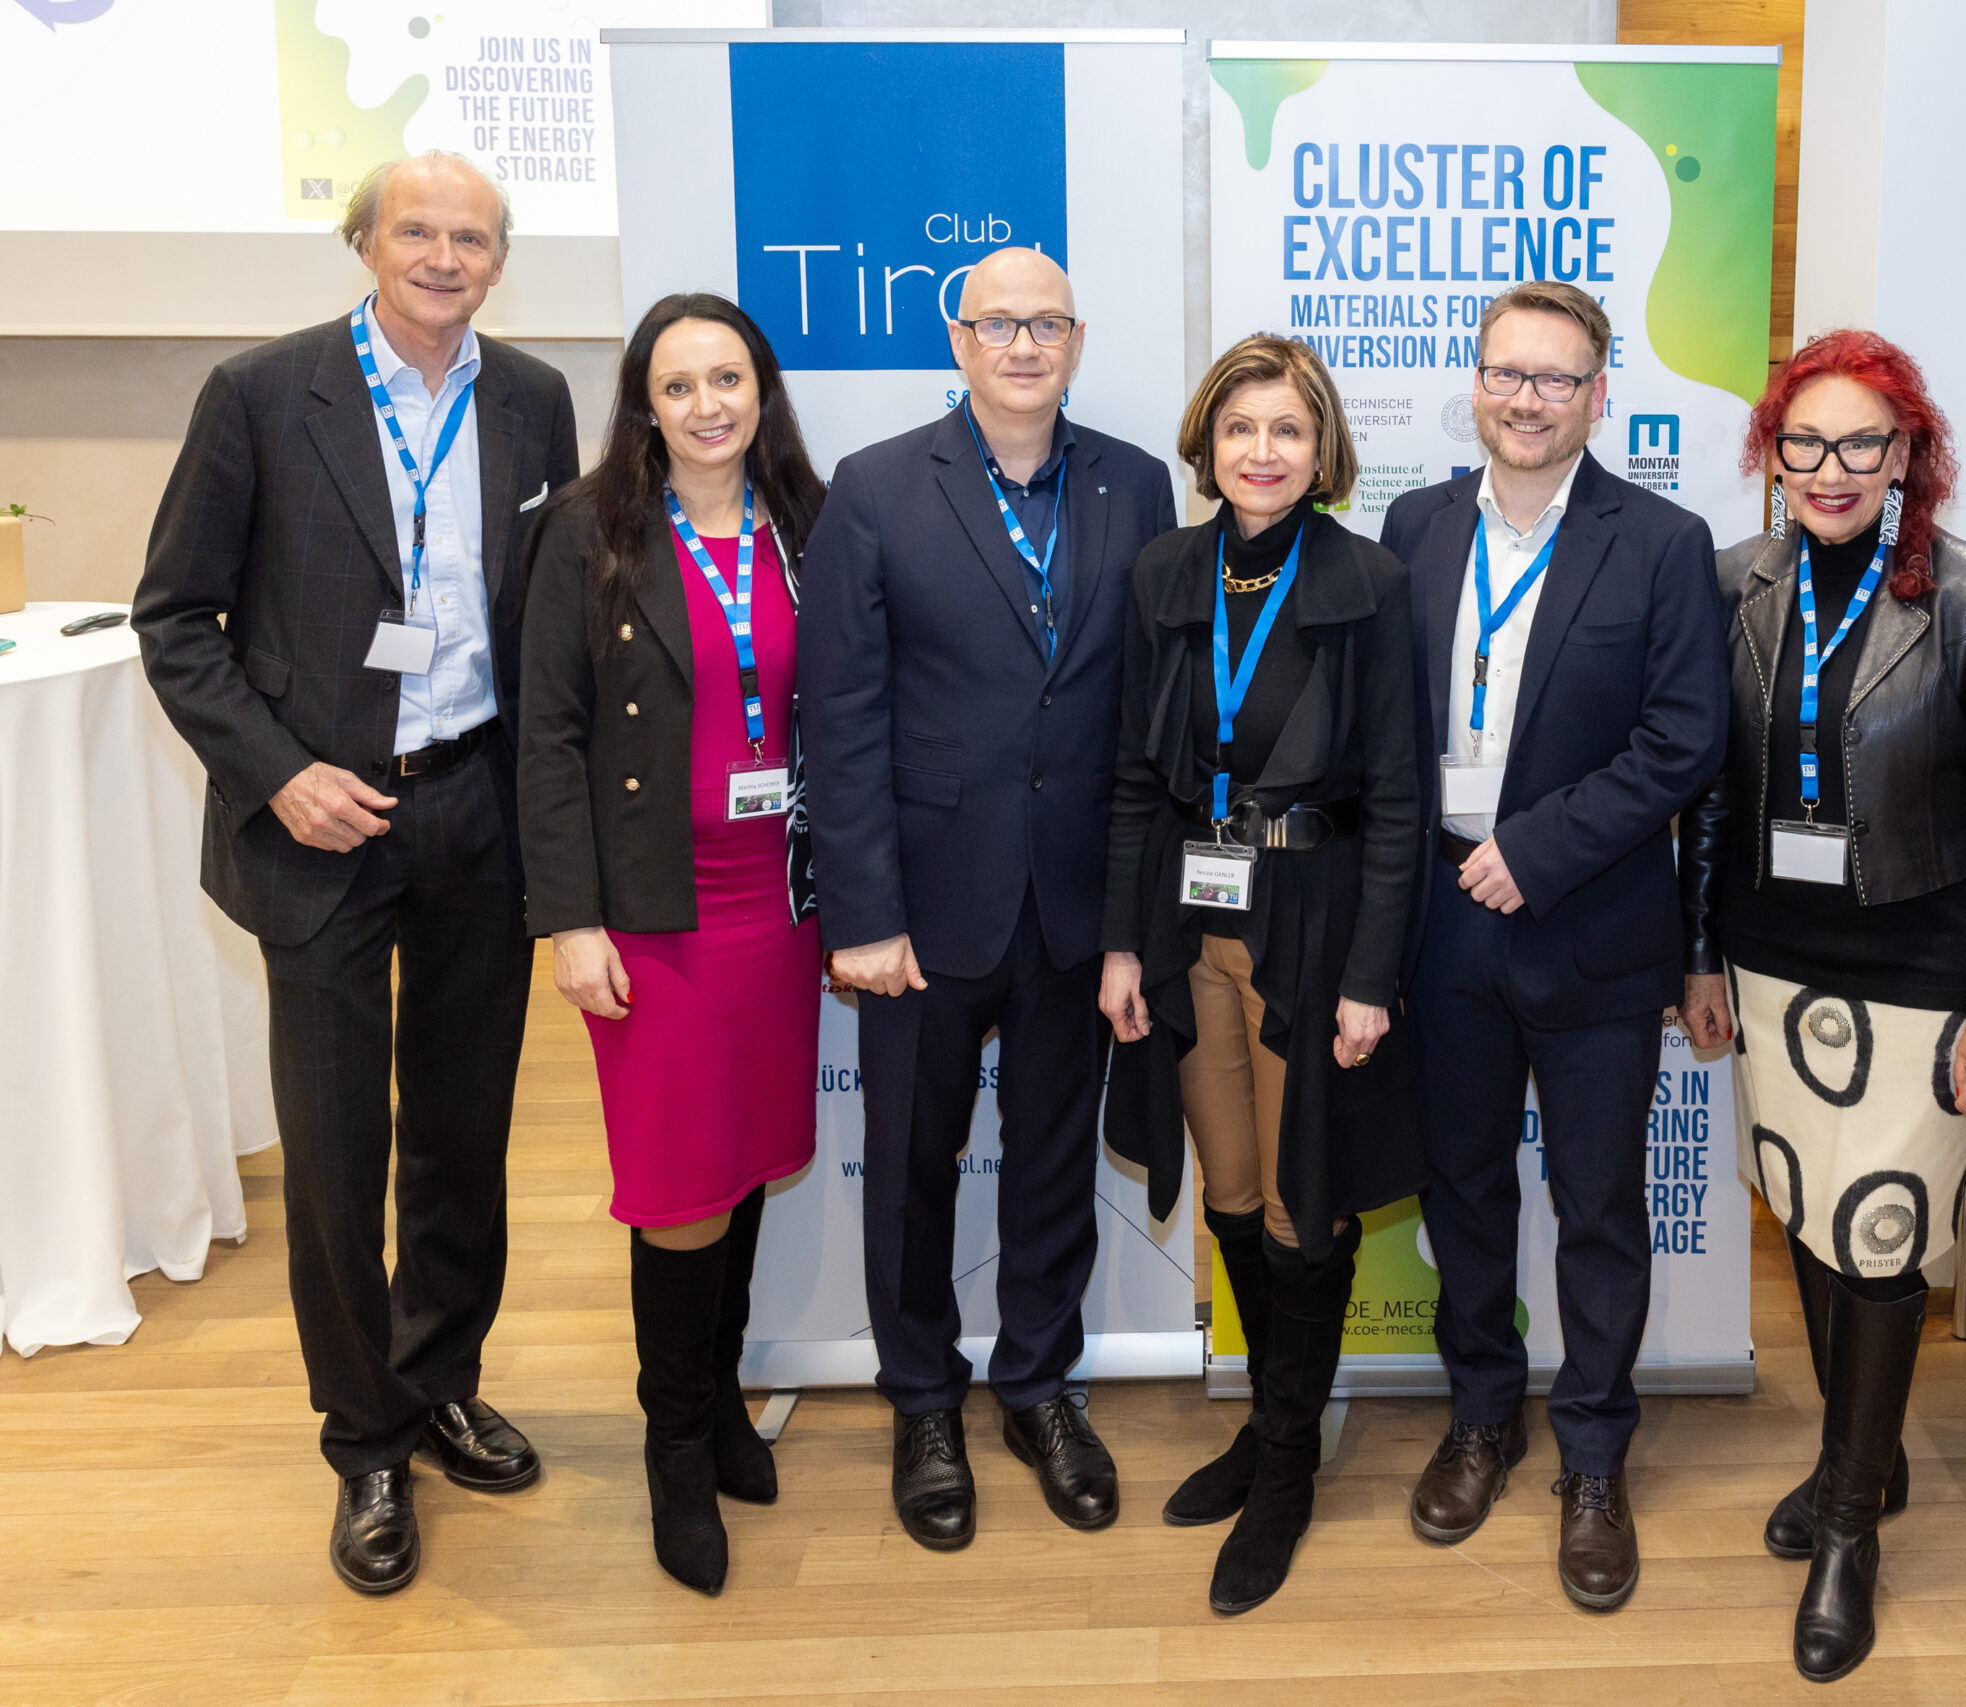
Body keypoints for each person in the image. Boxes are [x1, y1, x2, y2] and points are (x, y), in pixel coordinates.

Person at [131, 153, 580, 1595]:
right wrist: (278, 771)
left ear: (500, 260)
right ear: (366, 242)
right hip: (322, 818)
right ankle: (366, 1437)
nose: (444, 256)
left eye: (472, 236)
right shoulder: (259, 394)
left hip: (477, 808)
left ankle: (440, 1375)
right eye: (418, 231)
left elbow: (552, 614)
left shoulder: (532, 401)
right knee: (334, 1151)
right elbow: (175, 617)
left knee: (462, 1125)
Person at [1676, 329, 1966, 1681]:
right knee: (1814, 1216)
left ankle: (1850, 1521)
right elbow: (1713, 796)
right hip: (1776, 968)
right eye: (1805, 442)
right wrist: (1702, 955)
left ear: (1907, 453)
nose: (1831, 469)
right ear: (1768, 453)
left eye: (1862, 443)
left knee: (1880, 1230)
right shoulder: (1733, 584)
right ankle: (1872, 1455)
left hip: (1918, 977)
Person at [799, 247, 1180, 1550]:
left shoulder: (1136, 483)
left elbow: (1147, 718)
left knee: (1055, 1156)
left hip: (1075, 902)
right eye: (998, 323)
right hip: (921, 904)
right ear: (957, 339)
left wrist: (1135, 915)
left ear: (1076, 337)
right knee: (910, 1160)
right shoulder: (877, 486)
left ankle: (1038, 1382)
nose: (1024, 343)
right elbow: (839, 712)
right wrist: (861, 909)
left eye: (1047, 322)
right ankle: (921, 1395)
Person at [1384, 280, 1726, 1611]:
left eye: (1556, 378)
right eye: (1506, 373)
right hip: (1439, 924)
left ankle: (1592, 1453)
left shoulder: (1661, 539)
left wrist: (1542, 845)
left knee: (1597, 1205)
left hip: (1588, 927)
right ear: (1474, 383)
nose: (1527, 398)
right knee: (1462, 1185)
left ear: (1599, 395)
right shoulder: (1413, 526)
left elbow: (1684, 738)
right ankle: (1482, 1416)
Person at [1097, 335, 1423, 1613]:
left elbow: (1395, 798)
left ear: (1322, 444)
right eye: (1240, 429)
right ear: (1207, 440)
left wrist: (1372, 974)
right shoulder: (1164, 574)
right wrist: (1122, 941)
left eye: (1287, 429)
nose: (1262, 451)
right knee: (1232, 1190)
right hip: (1188, 927)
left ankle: (1286, 1455)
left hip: (1315, 924)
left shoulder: (1370, 580)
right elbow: (1132, 779)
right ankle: (1272, 1417)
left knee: (1303, 1202)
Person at [516, 292, 829, 1594]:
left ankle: (716, 1408)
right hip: (656, 908)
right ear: (646, 401)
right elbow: (549, 736)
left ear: (762, 390)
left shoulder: (806, 522)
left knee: (750, 1157)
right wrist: (571, 916)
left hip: (782, 898)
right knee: (682, 1184)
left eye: (730, 378)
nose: (709, 404)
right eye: (680, 382)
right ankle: (670, 1444)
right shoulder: (591, 529)